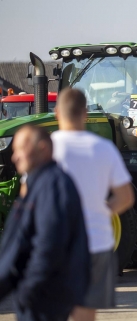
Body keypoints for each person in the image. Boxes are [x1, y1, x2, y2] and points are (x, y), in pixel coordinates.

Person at [52, 88, 135, 321]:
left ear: (57, 112)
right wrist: (101, 211)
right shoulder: (104, 149)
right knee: (85, 314)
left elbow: (31, 195)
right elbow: (126, 197)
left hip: (59, 243)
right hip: (97, 243)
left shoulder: (46, 149)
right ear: (85, 114)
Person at [0, 125, 90, 321]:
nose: (14, 157)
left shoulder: (53, 186)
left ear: (43, 148)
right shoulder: (37, 185)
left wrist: (28, 289)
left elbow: (49, 245)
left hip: (43, 300)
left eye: (20, 150)